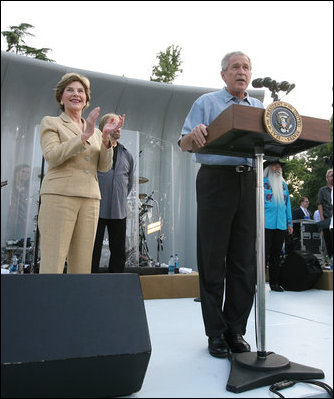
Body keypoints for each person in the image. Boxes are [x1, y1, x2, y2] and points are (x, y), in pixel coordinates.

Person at [178, 51, 264, 358]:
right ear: (224, 74)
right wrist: (195, 134)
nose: (241, 72)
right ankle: (215, 333)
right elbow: (183, 143)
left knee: (244, 261)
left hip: (249, 182)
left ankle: (235, 330)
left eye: (246, 67)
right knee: (213, 258)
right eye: (235, 67)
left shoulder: (259, 108)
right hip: (216, 181)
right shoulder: (206, 103)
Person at [38, 72, 124, 274]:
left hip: (90, 199)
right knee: (53, 262)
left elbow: (103, 167)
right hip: (59, 196)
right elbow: (52, 155)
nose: (76, 94)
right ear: (61, 97)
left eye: (81, 91)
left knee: (83, 265)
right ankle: (50, 305)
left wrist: (105, 139)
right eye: (70, 90)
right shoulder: (51, 122)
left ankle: (77, 305)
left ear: (86, 99)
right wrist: (83, 136)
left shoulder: (95, 131)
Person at [91, 112, 134, 273]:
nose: (118, 128)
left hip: (119, 210)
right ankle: (90, 281)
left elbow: (128, 182)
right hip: (96, 208)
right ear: (104, 128)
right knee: (92, 249)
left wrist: (119, 197)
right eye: (113, 123)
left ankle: (116, 283)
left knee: (118, 251)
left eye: (120, 124)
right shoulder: (95, 149)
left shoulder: (126, 154)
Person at [263, 159, 293, 292]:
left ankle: (274, 282)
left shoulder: (284, 186)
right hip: (265, 223)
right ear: (269, 168)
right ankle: (256, 282)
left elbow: (288, 206)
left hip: (280, 225)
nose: (277, 168)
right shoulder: (261, 184)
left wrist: (289, 223)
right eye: (274, 165)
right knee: (262, 255)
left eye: (279, 165)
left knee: (276, 254)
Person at [6, 164, 31, 241]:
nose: (25, 174)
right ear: (16, 172)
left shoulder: (29, 189)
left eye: (28, 172)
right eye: (23, 171)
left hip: (22, 224)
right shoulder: (8, 186)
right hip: (8, 221)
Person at [317, 169, 333, 259]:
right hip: (327, 219)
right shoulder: (322, 190)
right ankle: (331, 260)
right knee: (329, 242)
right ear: (327, 178)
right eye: (331, 175)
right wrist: (322, 219)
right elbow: (319, 204)